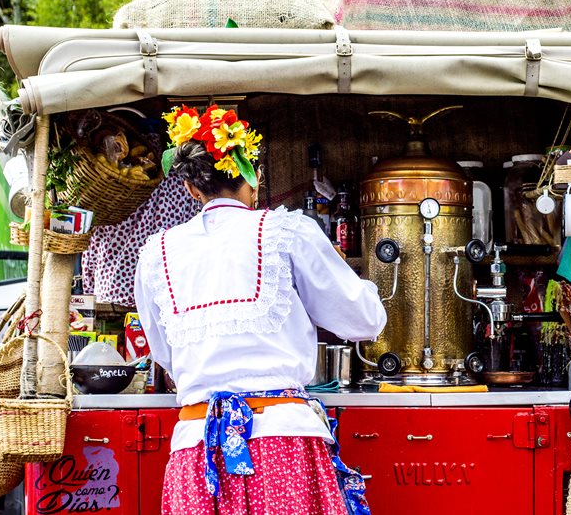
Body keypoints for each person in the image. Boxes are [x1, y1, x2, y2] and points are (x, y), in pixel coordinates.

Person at [134, 105, 386, 514]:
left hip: (197, 450)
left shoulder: (155, 255)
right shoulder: (288, 232)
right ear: (252, 175)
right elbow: (363, 319)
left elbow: (164, 354)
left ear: (192, 189)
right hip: (282, 443)